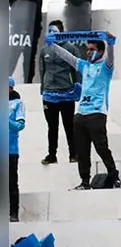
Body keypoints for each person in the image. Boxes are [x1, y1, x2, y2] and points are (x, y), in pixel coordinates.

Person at [49, 33, 119, 190]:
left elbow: (111, 56)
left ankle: (114, 176)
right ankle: (85, 182)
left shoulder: (105, 68)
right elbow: (68, 57)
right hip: (81, 114)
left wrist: (111, 43)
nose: (88, 52)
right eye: (87, 49)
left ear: (100, 52)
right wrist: (52, 44)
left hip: (97, 113)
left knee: (101, 148)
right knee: (82, 151)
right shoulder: (84, 65)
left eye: (92, 49)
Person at [39, 20, 79, 165]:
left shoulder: (71, 48)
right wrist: (43, 89)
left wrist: (77, 87)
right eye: (50, 31)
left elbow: (77, 70)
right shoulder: (44, 50)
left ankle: (73, 154)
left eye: (54, 31)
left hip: (66, 92)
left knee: (69, 125)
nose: (51, 34)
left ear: (61, 33)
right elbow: (42, 69)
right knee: (52, 126)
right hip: (49, 94)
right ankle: (51, 155)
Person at [9, 0, 44, 82]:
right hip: (17, 26)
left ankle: (27, 83)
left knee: (29, 58)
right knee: (12, 57)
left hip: (32, 27)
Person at [9, 77, 25, 222]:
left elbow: (20, 125)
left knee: (12, 182)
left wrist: (7, 121)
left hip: (10, 150)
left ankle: (14, 213)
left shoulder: (17, 104)